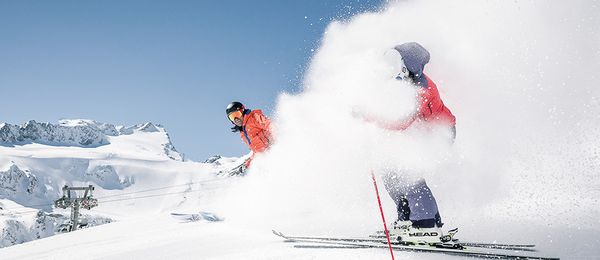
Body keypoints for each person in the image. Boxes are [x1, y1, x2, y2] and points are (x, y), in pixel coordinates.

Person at [375, 42, 456, 239]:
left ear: (406, 67)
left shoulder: (421, 89)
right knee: (390, 171)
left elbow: (402, 122)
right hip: (418, 131)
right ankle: (409, 217)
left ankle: (425, 222)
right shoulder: (403, 82)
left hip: (440, 132)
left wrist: (370, 118)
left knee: (407, 171)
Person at [226, 101, 273, 174]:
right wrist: (248, 163)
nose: (236, 119)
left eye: (237, 114)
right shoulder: (243, 133)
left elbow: (269, 124)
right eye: (232, 117)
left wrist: (280, 140)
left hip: (274, 150)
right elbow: (257, 151)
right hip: (267, 159)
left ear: (243, 111)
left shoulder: (254, 117)